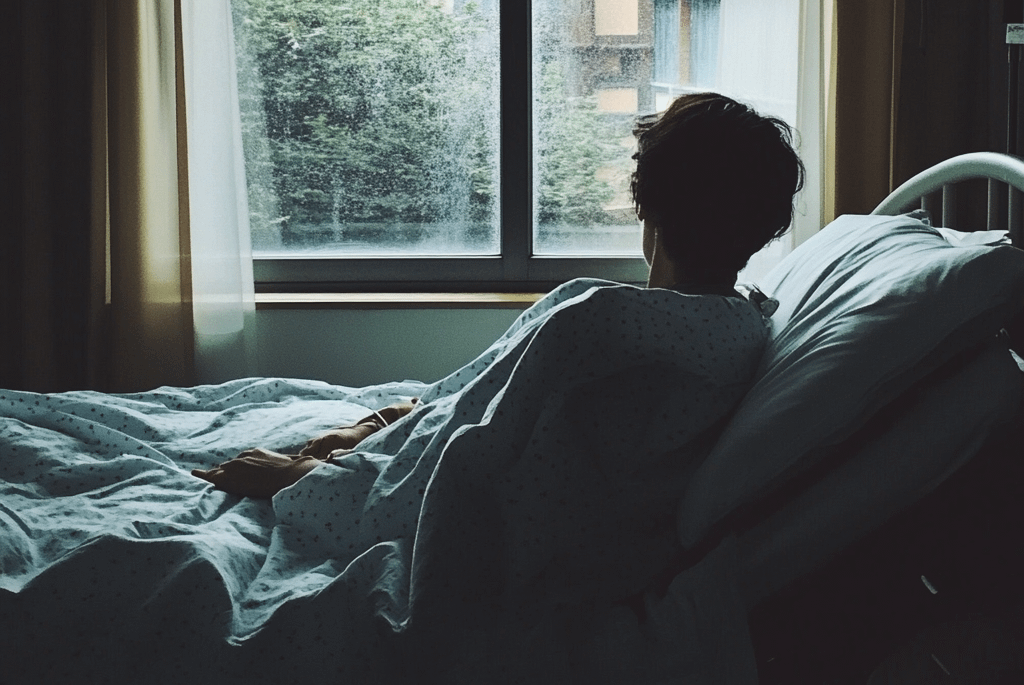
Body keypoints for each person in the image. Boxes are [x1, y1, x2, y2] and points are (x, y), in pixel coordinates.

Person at [193, 91, 804, 498]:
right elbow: (477, 404)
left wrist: (298, 479)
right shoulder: (741, 326)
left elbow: (471, 455)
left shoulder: (603, 320)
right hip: (409, 434)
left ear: (651, 202)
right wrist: (378, 426)